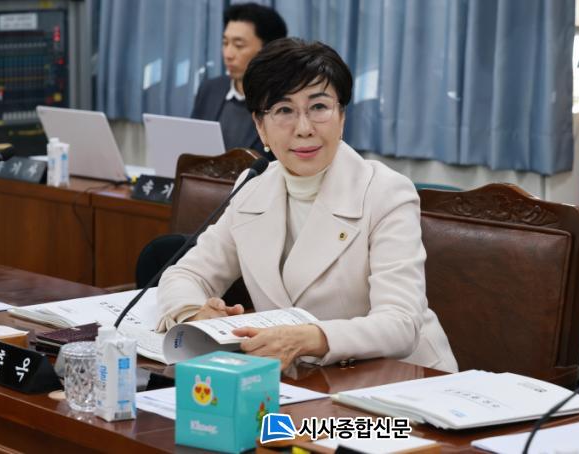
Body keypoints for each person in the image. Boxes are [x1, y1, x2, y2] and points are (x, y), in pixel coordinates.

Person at [158, 38, 458, 373]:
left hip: (400, 382)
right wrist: (195, 314)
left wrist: (311, 338)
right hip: (302, 382)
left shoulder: (386, 193)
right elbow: (186, 274)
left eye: (318, 107)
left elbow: (400, 324)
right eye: (284, 110)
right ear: (260, 127)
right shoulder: (252, 188)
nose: (304, 129)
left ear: (341, 116)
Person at [190, 3, 287, 158]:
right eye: (225, 43)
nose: (228, 54)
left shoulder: (285, 101)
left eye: (238, 45)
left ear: (269, 50)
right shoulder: (210, 89)